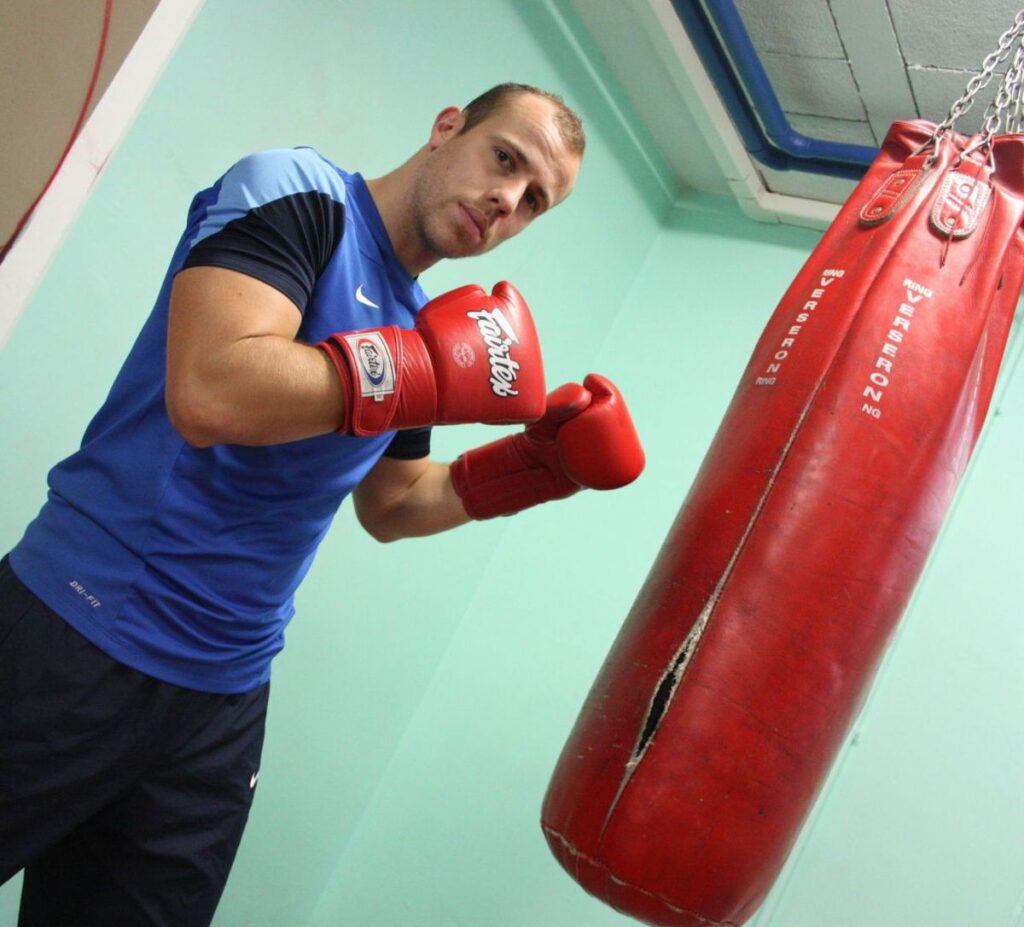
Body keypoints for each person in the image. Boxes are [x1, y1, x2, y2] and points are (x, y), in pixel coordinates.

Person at [0, 83, 644, 926]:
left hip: (220, 699)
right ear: (448, 124)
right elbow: (211, 389)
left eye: (534, 202)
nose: (507, 200)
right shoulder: (298, 197)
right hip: (80, 628)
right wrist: (421, 369)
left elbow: (395, 501)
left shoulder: (424, 322)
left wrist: (535, 468)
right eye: (505, 159)